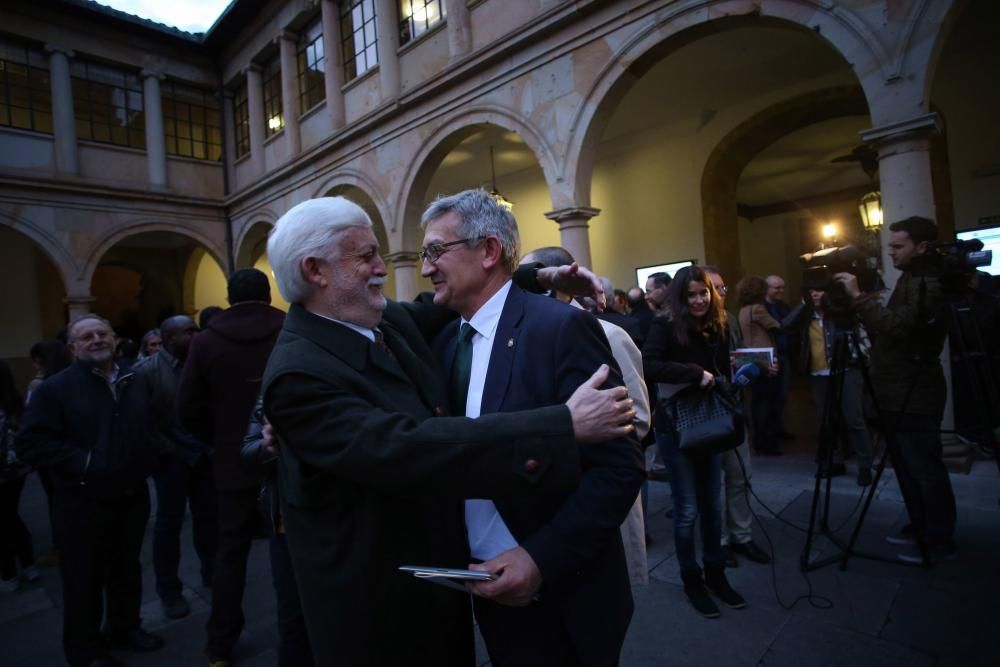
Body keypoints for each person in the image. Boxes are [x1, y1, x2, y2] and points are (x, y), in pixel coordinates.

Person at [260, 195, 635, 667]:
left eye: (434, 253)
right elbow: (406, 448)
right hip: (382, 614)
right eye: (366, 256)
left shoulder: (391, 323)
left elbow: (618, 468)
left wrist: (537, 274)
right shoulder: (299, 374)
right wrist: (562, 423)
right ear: (316, 271)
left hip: (524, 595)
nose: (388, 267)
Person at [422, 190, 645, 667]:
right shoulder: (443, 342)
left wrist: (540, 559)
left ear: (488, 251)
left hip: (562, 593)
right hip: (484, 587)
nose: (426, 268)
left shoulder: (560, 329)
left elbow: (620, 468)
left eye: (436, 251)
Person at [16, 314, 164, 667]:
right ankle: (85, 650)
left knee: (126, 568)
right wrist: (86, 463)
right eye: (86, 337)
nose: (96, 340)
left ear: (114, 340)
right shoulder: (55, 390)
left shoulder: (134, 378)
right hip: (81, 502)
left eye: (102, 334)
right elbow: (31, 443)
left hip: (130, 495)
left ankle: (125, 627)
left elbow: (150, 424)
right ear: (72, 348)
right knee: (84, 579)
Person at [523, 247, 652, 585]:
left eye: (530, 281)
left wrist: (572, 436)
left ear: (554, 286)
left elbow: (638, 417)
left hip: (599, 487)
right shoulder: (529, 334)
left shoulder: (609, 335)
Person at [833, 215, 957, 564]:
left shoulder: (927, 283)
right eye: (890, 246)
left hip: (914, 391)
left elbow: (898, 328)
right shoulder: (910, 278)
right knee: (907, 465)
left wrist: (859, 298)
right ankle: (920, 525)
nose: (892, 252)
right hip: (896, 388)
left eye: (898, 246)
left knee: (924, 467)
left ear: (921, 246)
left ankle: (937, 539)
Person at [177, 269, 284, 667]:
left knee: (230, 554)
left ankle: (219, 644)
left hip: (231, 463)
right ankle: (304, 633)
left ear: (228, 297)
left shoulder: (205, 341)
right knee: (293, 547)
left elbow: (186, 408)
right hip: (286, 456)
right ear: (268, 293)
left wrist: (222, 440)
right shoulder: (287, 328)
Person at [642, 265, 746, 618]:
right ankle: (692, 578)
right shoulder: (664, 324)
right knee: (686, 509)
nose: (700, 300)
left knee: (712, 505)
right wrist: (694, 374)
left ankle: (716, 573)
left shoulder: (716, 325)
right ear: (680, 298)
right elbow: (650, 365)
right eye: (693, 295)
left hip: (711, 421)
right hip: (677, 426)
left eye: (705, 293)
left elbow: (721, 369)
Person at [134, 315, 217, 619]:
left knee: (208, 519)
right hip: (170, 462)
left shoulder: (202, 364)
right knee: (168, 526)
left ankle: (213, 572)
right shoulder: (146, 372)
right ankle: (169, 590)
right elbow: (145, 423)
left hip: (203, 456)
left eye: (195, 329)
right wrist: (174, 451)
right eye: (188, 332)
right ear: (169, 339)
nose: (195, 335)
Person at [701, 266, 770, 567]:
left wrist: (757, 365)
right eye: (714, 288)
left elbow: (738, 356)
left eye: (723, 287)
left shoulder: (729, 319)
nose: (721, 294)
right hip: (706, 412)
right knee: (713, 480)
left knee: (740, 476)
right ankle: (720, 541)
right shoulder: (684, 325)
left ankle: (742, 535)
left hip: (734, 408)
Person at [785, 288, 875, 485]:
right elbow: (786, 325)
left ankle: (865, 465)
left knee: (854, 420)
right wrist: (802, 304)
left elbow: (859, 330)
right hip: (819, 374)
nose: (815, 295)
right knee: (827, 422)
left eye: (820, 291)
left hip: (847, 371)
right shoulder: (806, 317)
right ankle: (834, 462)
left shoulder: (841, 315)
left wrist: (834, 304)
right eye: (811, 292)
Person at [1, 360, 37, 593]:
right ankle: (27, 563)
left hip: (6, 471)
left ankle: (9, 572)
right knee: (10, 516)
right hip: (16, 471)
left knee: (4, 520)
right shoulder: (15, 402)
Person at [737, 275, 784, 456]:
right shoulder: (757, 309)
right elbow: (777, 326)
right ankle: (766, 441)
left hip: (750, 358)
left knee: (757, 401)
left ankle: (759, 440)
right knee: (766, 401)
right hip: (764, 358)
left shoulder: (743, 309)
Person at [765, 275, 795, 440]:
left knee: (782, 395)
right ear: (767, 288)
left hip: (784, 355)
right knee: (769, 396)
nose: (781, 291)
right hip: (770, 357)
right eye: (777, 288)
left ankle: (779, 429)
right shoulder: (760, 308)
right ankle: (770, 433)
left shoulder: (783, 307)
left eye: (782, 287)